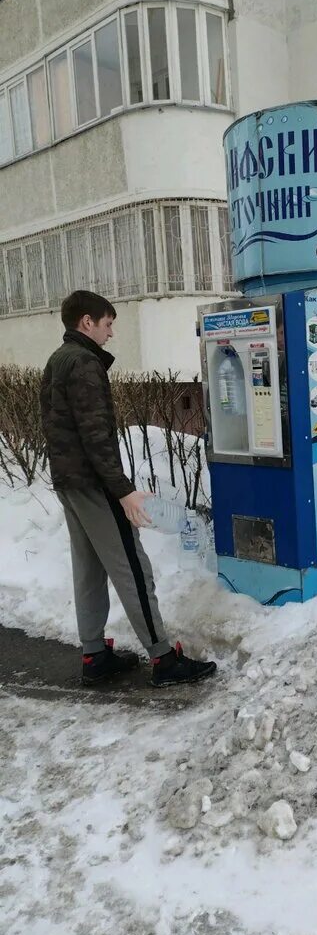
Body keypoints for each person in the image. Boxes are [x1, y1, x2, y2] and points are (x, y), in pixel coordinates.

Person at [40, 290, 217, 688]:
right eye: (107, 324)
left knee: (88, 567)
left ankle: (94, 655)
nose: (112, 333)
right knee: (133, 567)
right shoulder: (84, 363)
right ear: (87, 322)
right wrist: (122, 490)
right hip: (95, 483)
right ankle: (164, 659)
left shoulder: (57, 360)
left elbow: (58, 429)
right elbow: (95, 435)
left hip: (70, 481)